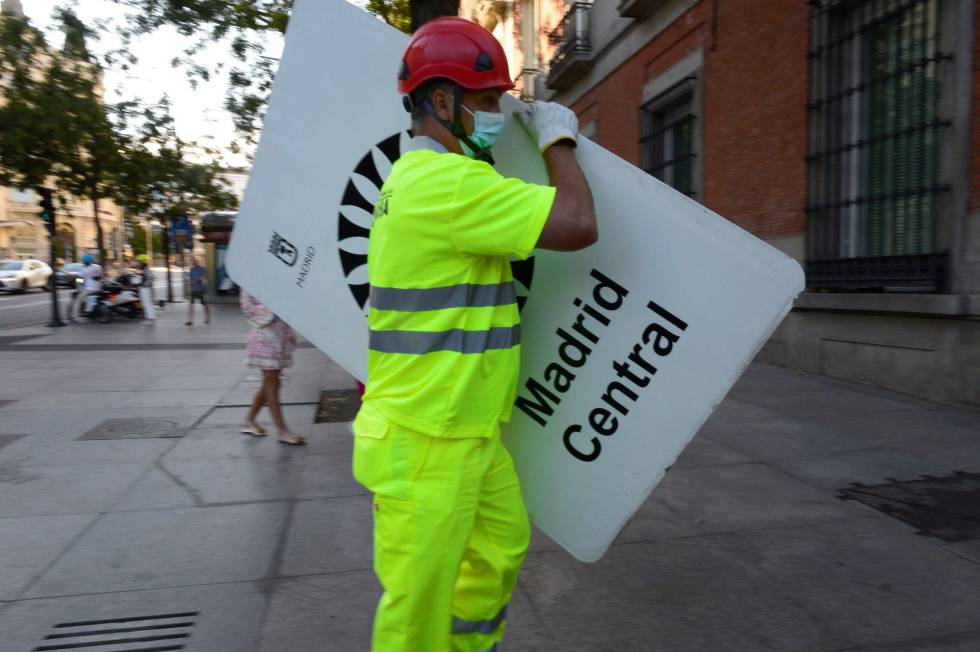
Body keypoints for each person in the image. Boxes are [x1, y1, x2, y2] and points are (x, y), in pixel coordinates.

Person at [352, 17, 597, 652]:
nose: (497, 113)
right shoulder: (447, 185)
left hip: (461, 430)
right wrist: (556, 143)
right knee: (416, 612)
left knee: (498, 550)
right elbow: (575, 222)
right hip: (426, 438)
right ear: (441, 103)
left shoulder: (420, 182)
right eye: (487, 100)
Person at [240, 291, 305, 445]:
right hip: (264, 337)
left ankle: (249, 420)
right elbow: (247, 308)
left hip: (280, 336)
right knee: (272, 381)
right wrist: (274, 310)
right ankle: (282, 431)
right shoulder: (248, 276)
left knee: (273, 381)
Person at [69, 254, 103, 321]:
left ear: (85, 262)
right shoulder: (97, 267)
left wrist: (74, 281)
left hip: (90, 289)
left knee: (78, 298)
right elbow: (100, 277)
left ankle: (74, 316)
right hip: (99, 288)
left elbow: (80, 279)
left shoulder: (84, 269)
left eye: (83, 261)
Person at [185, 256, 210, 325]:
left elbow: (204, 280)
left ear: (197, 262)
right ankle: (190, 320)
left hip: (201, 290)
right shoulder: (192, 269)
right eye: (192, 261)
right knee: (191, 305)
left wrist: (197, 281)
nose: (193, 262)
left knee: (205, 305)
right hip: (193, 290)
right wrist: (191, 283)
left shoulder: (202, 269)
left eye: (194, 261)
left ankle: (207, 318)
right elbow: (191, 279)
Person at [135, 254, 156, 324]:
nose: (138, 263)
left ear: (142, 262)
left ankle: (150, 319)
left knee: (146, 304)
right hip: (144, 289)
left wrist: (145, 285)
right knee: (146, 303)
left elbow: (151, 278)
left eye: (139, 261)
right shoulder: (144, 269)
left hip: (146, 289)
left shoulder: (146, 269)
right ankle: (150, 317)